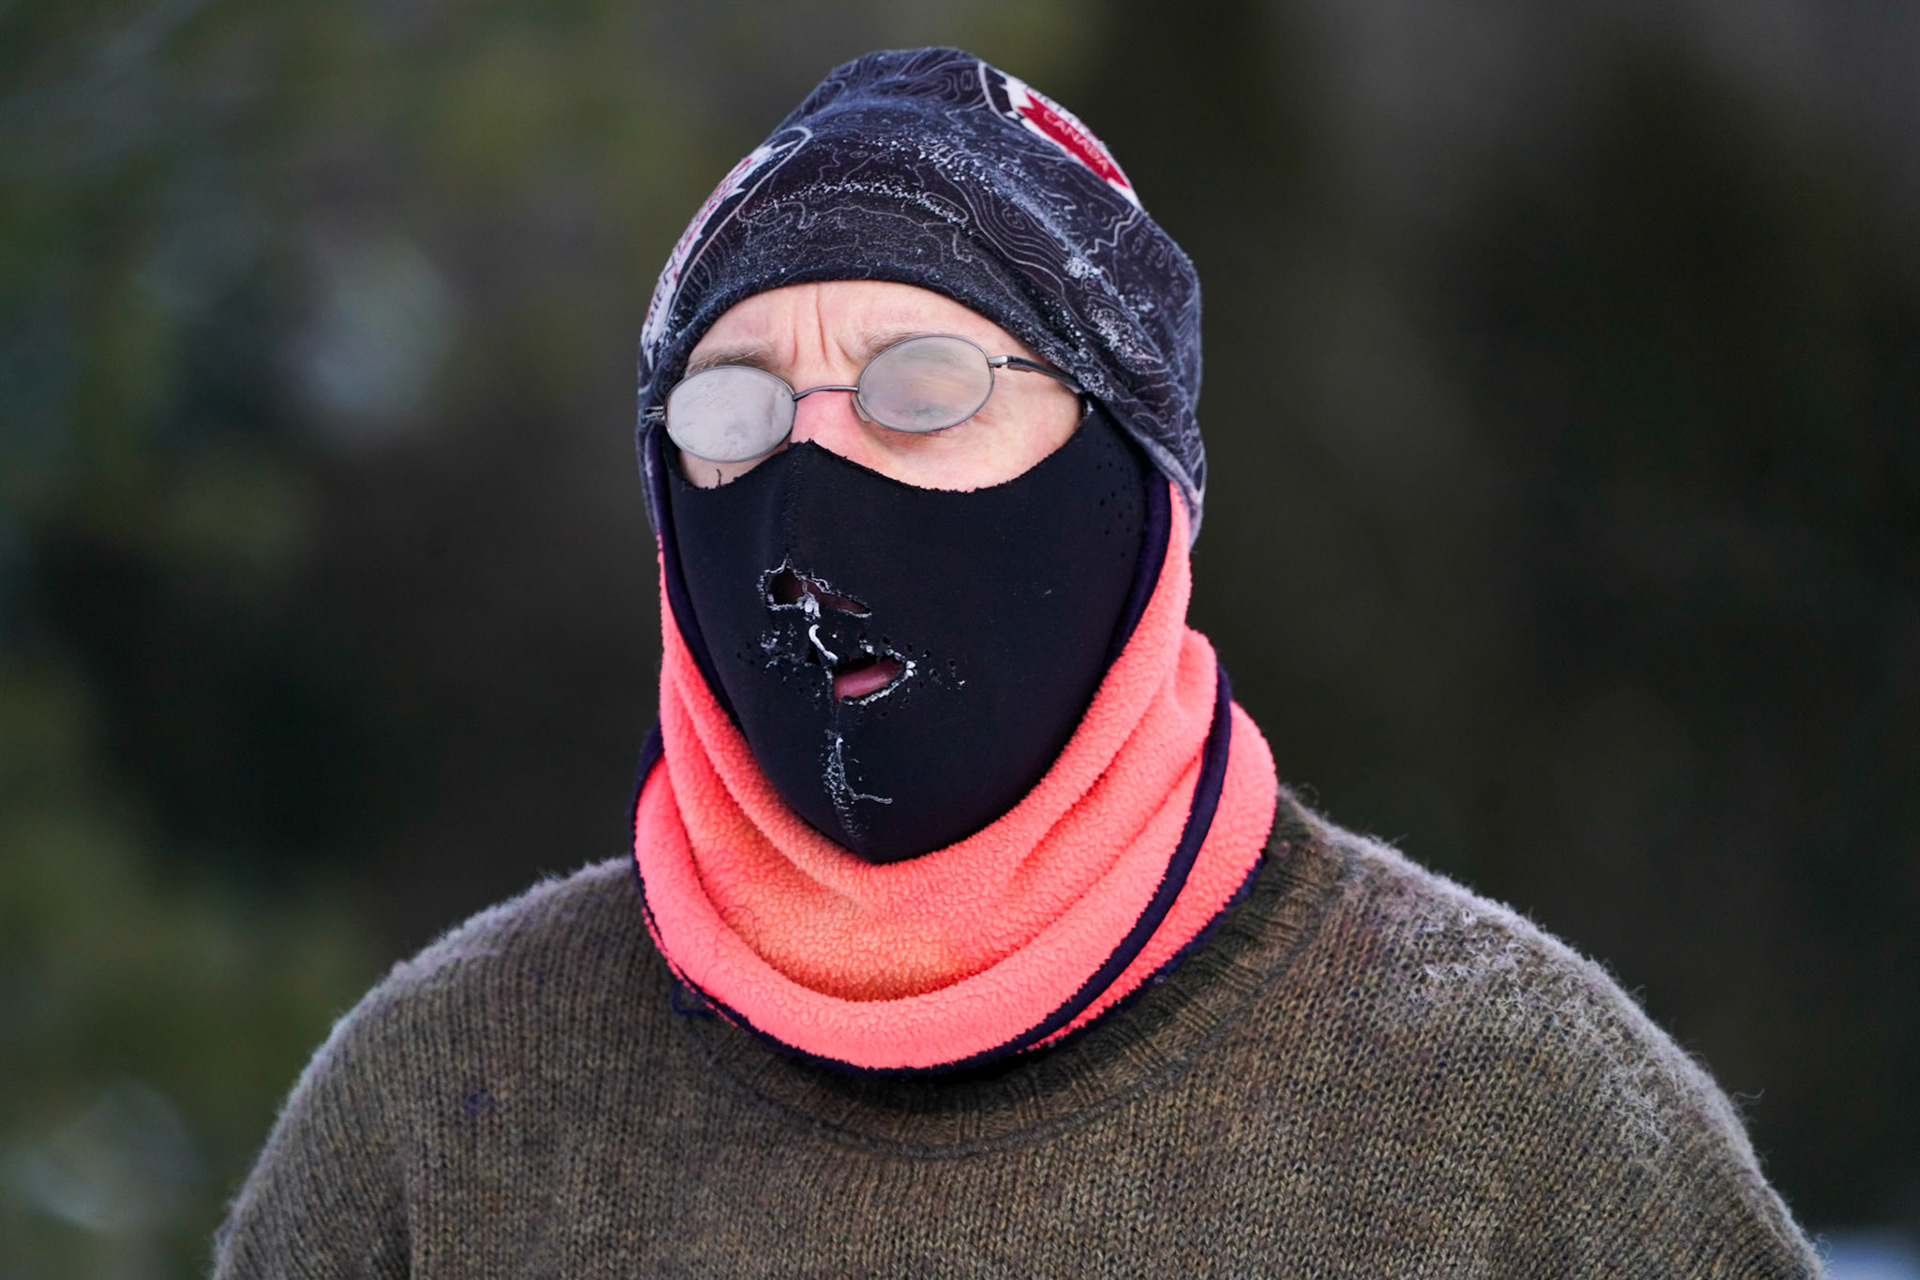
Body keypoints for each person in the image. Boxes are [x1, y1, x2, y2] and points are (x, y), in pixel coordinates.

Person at [216, 48, 1822, 1276]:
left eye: (924, 388)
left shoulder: (1517, 1120)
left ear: (1131, 489)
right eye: (733, 410)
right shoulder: (443, 1106)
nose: (811, 504)